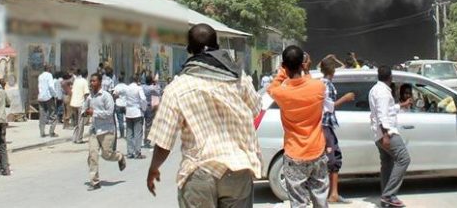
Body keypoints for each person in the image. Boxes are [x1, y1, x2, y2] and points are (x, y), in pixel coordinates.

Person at [146, 24, 261, 207]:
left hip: (199, 172)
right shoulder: (239, 78)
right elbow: (255, 109)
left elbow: (164, 140)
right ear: (217, 46)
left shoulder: (177, 87)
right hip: (238, 170)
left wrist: (154, 168)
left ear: (189, 50)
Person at [267, 46, 328, 207]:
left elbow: (271, 88)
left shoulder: (281, 93)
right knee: (320, 198)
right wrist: (306, 71)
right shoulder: (319, 87)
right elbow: (312, 84)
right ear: (303, 64)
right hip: (317, 151)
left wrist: (282, 71)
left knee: (298, 202)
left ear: (284, 66)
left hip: (294, 154)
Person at [369, 65, 412, 208]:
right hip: (387, 133)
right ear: (390, 77)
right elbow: (382, 115)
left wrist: (402, 105)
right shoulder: (383, 92)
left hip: (379, 134)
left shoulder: (376, 89)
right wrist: (386, 135)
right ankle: (389, 195)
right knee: (404, 159)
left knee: (387, 164)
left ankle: (385, 197)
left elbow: (388, 110)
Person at [320, 56, 355, 204]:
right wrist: (345, 98)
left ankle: (333, 193)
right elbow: (329, 106)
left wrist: (331, 58)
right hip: (325, 125)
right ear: (332, 70)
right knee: (333, 158)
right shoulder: (326, 85)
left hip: (327, 125)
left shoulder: (322, 81)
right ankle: (332, 194)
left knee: (333, 157)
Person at [84, 73, 126, 190]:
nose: (92, 83)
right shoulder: (90, 97)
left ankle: (119, 157)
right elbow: (85, 107)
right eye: (91, 81)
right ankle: (95, 182)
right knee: (92, 155)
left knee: (106, 155)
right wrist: (85, 112)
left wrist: (94, 113)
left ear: (100, 82)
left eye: (94, 81)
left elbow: (109, 113)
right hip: (94, 130)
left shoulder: (106, 96)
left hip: (106, 130)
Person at [122, 74, 147, 159]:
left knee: (129, 133)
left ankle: (130, 152)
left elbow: (124, 99)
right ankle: (137, 152)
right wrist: (144, 108)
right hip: (137, 112)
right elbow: (143, 99)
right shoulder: (138, 88)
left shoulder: (126, 88)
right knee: (138, 133)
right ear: (137, 80)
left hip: (128, 112)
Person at [37, 64, 58, 138]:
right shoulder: (49, 75)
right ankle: (51, 132)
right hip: (48, 97)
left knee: (42, 115)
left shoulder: (40, 76)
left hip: (41, 97)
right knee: (53, 115)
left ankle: (42, 133)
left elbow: (39, 87)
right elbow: (51, 86)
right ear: (49, 69)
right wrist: (55, 95)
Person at [71, 70, 90, 144]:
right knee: (81, 122)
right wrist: (87, 104)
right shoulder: (85, 81)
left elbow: (73, 91)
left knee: (76, 122)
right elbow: (86, 94)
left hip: (73, 103)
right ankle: (79, 138)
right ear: (86, 75)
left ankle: (74, 138)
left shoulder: (76, 81)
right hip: (80, 103)